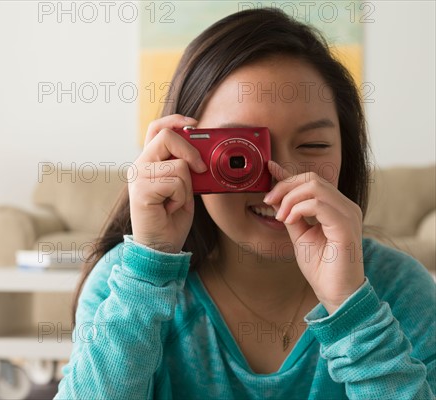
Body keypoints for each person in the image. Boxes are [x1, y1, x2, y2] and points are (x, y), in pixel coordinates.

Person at [55, 8, 435, 399]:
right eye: (242, 154)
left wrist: (351, 310)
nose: (279, 179)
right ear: (182, 151)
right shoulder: (127, 285)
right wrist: (148, 271)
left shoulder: (399, 290)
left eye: (312, 146)